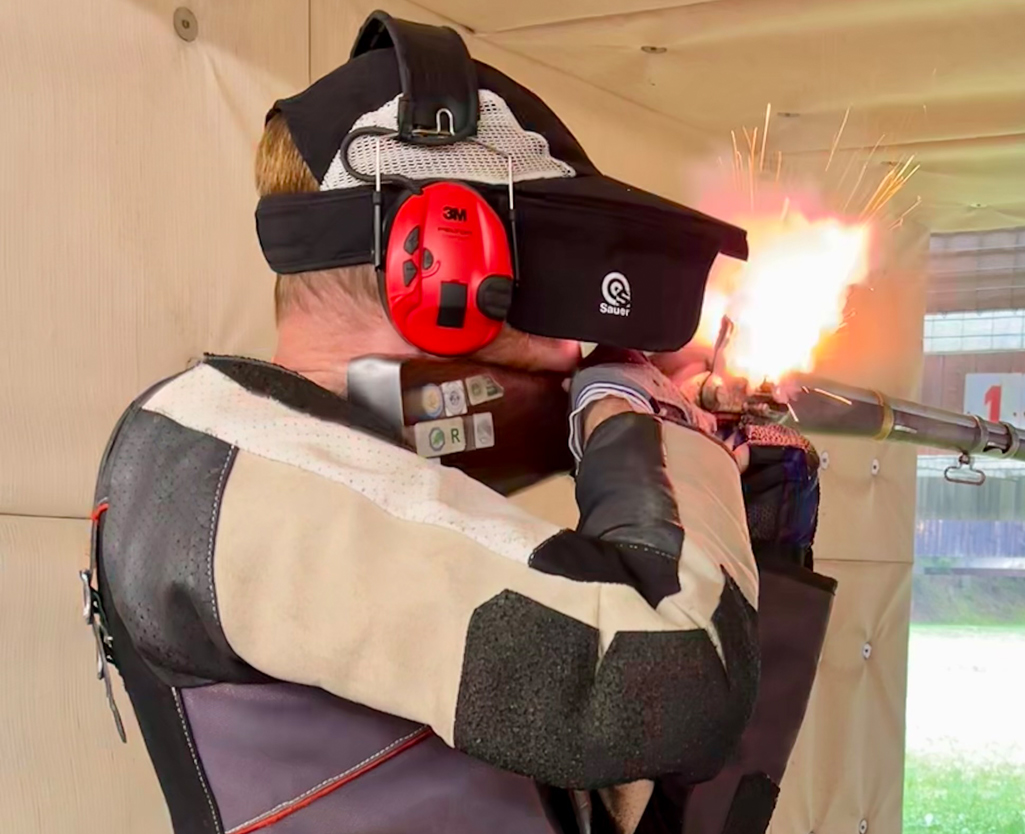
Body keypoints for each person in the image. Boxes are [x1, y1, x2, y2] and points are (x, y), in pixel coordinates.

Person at [84, 12, 832, 834]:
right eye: (547, 264)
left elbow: (645, 771)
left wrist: (750, 546)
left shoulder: (321, 460)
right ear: (443, 256)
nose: (570, 329)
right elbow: (673, 679)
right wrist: (645, 419)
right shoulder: (209, 464)